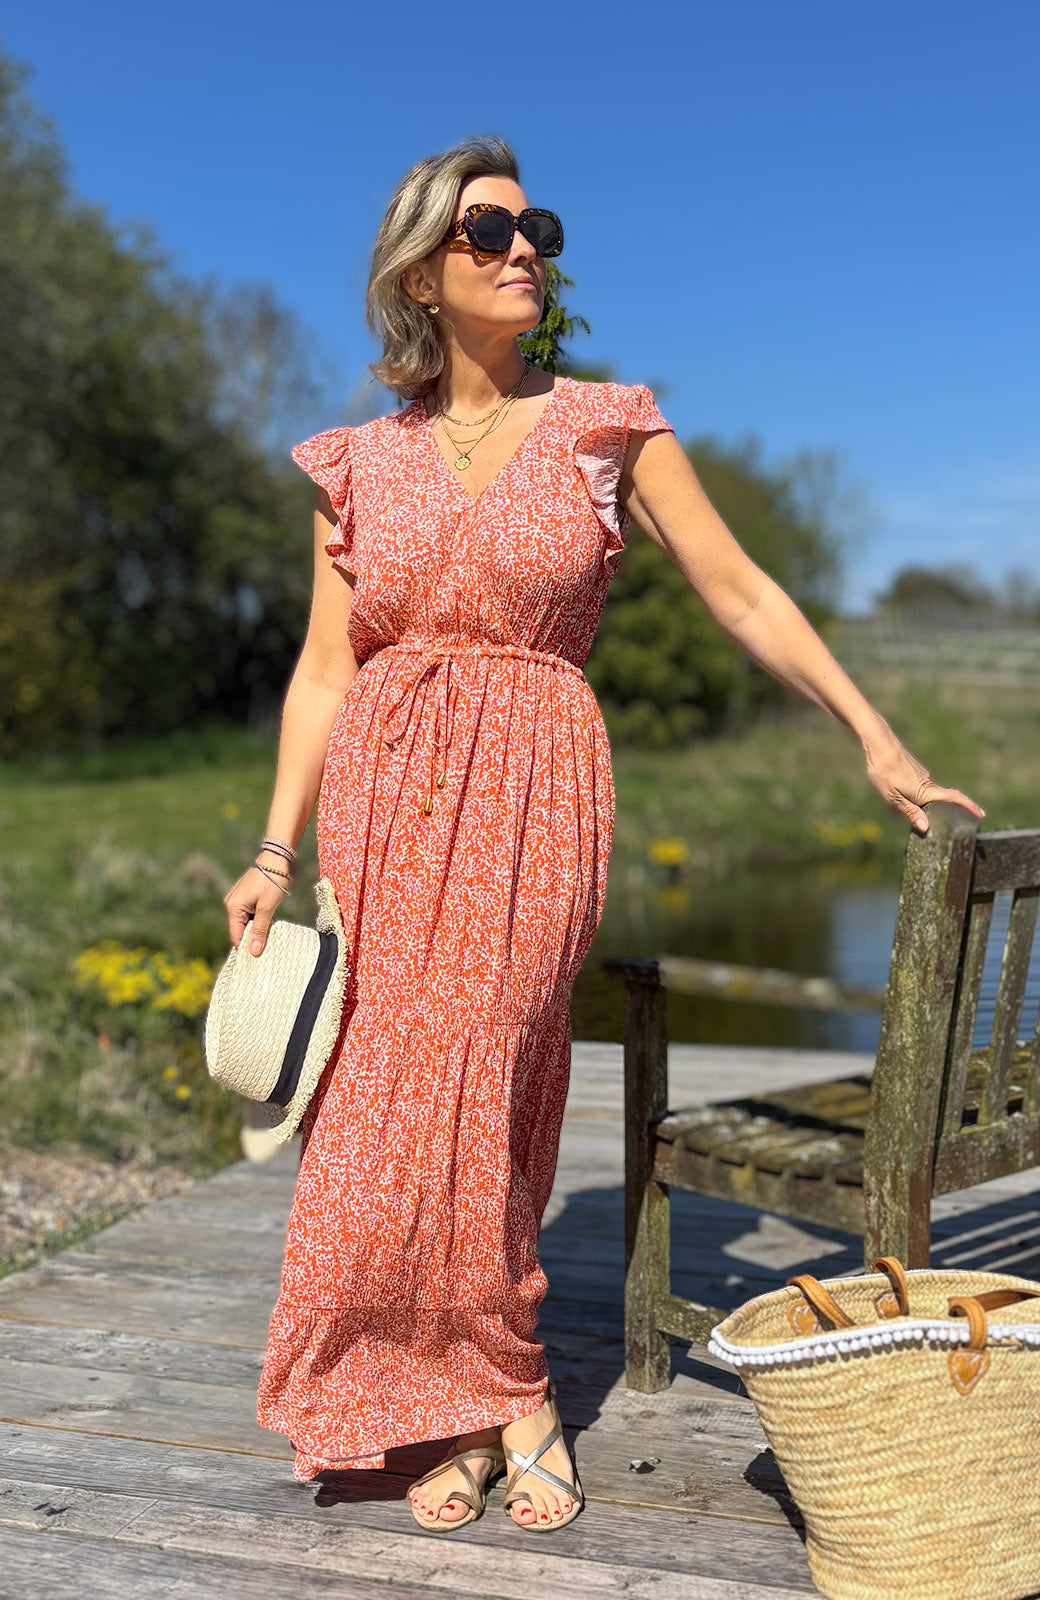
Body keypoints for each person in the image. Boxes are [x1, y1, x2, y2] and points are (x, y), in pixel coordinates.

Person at [225, 134, 985, 1534]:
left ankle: (504, 1385)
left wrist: (871, 730)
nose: (525, 249)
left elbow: (741, 593)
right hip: (384, 797)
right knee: (386, 1103)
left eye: (537, 229)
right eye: (488, 232)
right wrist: (275, 852)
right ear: (420, 273)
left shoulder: (605, 426)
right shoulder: (356, 464)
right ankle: (439, 1406)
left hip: (533, 783)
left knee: (489, 1069)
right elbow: (325, 669)